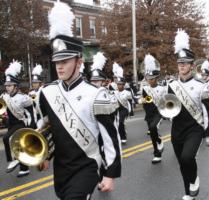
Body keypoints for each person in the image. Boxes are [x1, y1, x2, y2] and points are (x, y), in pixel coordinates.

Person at [37, 2, 121, 199]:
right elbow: (45, 126)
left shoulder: (96, 94)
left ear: (79, 61)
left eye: (65, 61)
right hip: (61, 168)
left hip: (88, 165)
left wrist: (110, 173)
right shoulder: (46, 93)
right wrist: (43, 155)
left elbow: (110, 136)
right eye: (57, 62)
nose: (59, 66)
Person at [167, 29, 208, 200]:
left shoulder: (201, 85)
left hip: (194, 128)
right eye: (179, 63)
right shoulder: (172, 84)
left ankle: (194, 178)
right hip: (177, 129)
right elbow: (169, 105)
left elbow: (207, 111)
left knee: (187, 157)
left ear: (192, 65)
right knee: (182, 163)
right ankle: (188, 192)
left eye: (185, 63)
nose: (182, 66)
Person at [1, 60, 35, 177]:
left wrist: (32, 128)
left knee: (7, 138)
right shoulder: (4, 96)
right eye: (6, 86)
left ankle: (14, 159)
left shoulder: (23, 98)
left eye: (10, 86)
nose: (7, 88)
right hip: (11, 124)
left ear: (16, 86)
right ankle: (24, 168)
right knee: (19, 144)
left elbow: (31, 112)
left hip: (21, 123)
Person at [139, 54, 165, 164]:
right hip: (149, 114)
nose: (150, 81)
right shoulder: (145, 89)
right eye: (148, 79)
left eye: (152, 79)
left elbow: (166, 101)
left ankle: (159, 140)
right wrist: (142, 100)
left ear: (156, 78)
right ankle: (157, 153)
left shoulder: (163, 88)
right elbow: (145, 100)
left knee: (153, 127)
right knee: (152, 133)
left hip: (159, 112)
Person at [195, 60, 209, 146]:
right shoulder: (198, 83)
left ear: (208, 75)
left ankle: (208, 133)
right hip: (199, 102)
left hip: (207, 102)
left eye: (205, 75)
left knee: (206, 117)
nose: (203, 77)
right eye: (202, 75)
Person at [113, 62, 132, 144]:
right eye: (118, 84)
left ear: (123, 85)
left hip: (124, 109)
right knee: (116, 124)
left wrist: (131, 113)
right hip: (116, 109)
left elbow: (131, 102)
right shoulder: (114, 92)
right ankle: (120, 135)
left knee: (121, 122)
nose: (119, 86)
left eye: (121, 84)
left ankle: (123, 137)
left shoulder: (127, 93)